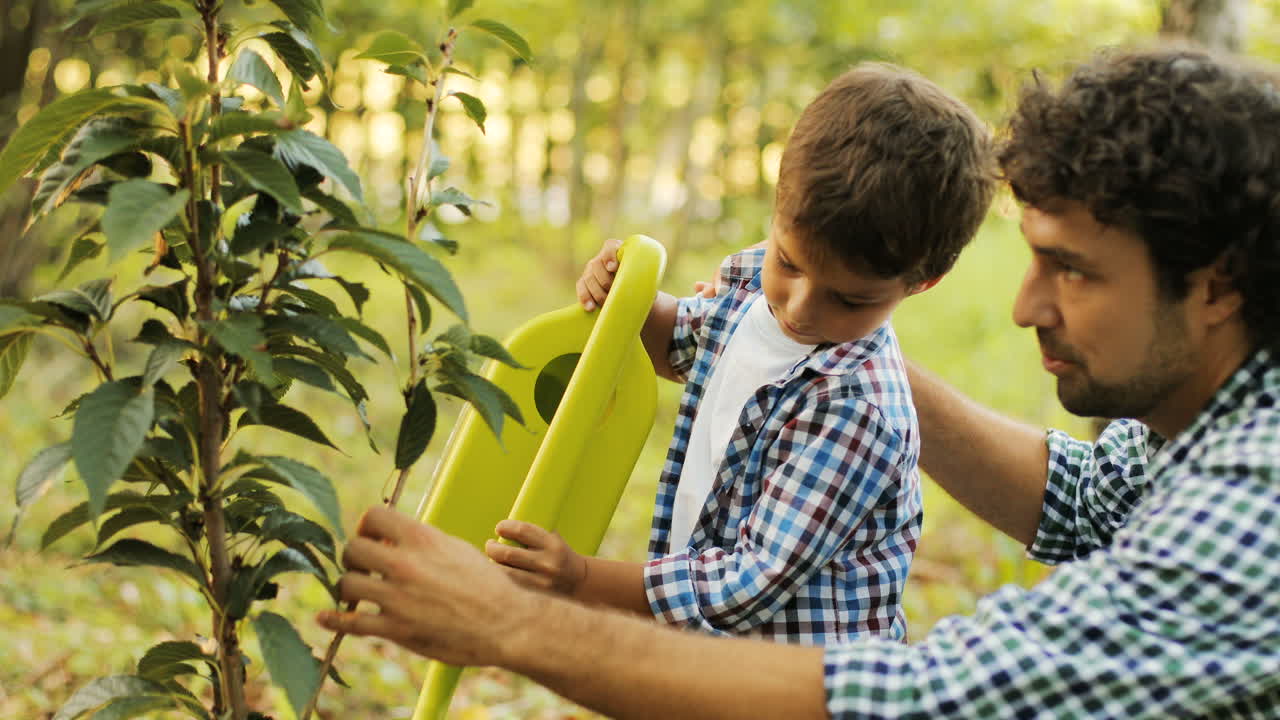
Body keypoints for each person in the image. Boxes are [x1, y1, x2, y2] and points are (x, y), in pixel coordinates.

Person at [319, 47, 1280, 718]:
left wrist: (512, 621)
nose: (1025, 306)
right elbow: (1093, 501)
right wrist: (812, 347)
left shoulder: (1254, 511)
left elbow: (920, 701)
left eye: (1073, 269)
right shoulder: (1206, 415)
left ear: (1217, 288)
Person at [482, 62, 996, 644]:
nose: (801, 309)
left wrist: (582, 577)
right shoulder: (752, 289)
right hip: (714, 662)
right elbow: (681, 341)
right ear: (777, 209)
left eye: (849, 300)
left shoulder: (856, 410)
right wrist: (622, 298)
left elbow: (744, 584)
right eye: (790, 264)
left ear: (922, 282)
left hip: (798, 683)